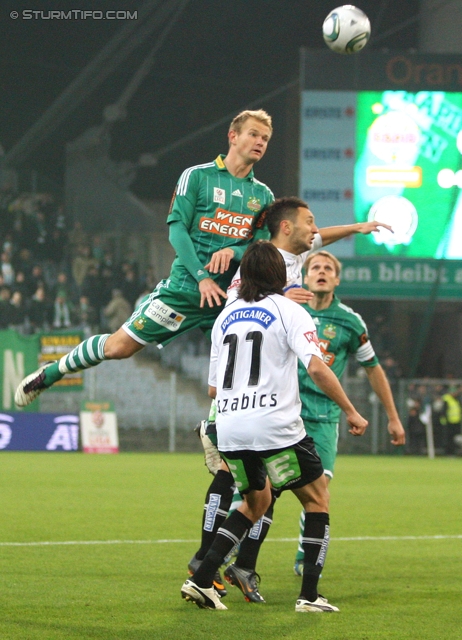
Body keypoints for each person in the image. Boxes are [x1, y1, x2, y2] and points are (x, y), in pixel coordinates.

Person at [189, 197, 395, 601]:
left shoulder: (237, 304)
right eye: (310, 224)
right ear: (285, 232)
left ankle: (212, 570)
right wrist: (353, 409)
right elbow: (315, 366)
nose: (316, 235)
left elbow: (216, 381)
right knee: (312, 496)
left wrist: (355, 228)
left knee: (257, 497)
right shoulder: (287, 297)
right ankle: (306, 594)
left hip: (230, 413)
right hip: (272, 416)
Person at [14, 109, 275, 407]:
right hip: (186, 290)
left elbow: (261, 244)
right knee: (118, 348)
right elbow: (177, 231)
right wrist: (201, 277)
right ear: (233, 136)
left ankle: (214, 439)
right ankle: (51, 373)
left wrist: (234, 251)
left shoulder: (263, 196)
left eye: (265, 138)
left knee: (240, 371)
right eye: (253, 134)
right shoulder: (198, 177)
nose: (260, 142)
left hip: (230, 298)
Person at [292, 249, 405, 574]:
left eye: (329, 267)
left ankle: (305, 558)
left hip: (325, 417)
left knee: (319, 488)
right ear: (305, 275)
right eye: (315, 266)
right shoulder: (289, 309)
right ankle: (240, 557)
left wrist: (393, 418)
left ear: (337, 279)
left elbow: (373, 367)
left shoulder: (350, 321)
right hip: (286, 411)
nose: (322, 271)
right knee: (264, 489)